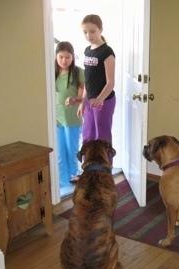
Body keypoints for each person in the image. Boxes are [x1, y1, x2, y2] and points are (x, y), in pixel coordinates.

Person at [77, 14, 116, 161]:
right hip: (89, 101)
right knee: (88, 135)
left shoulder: (107, 52)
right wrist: (82, 102)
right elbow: (88, 80)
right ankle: (89, 169)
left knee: (102, 138)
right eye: (85, 32)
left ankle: (105, 171)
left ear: (101, 30)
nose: (88, 35)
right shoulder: (87, 51)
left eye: (92, 31)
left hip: (104, 101)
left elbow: (110, 82)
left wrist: (99, 99)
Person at [54, 41, 85, 189]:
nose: (64, 60)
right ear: (56, 56)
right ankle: (62, 183)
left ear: (73, 57)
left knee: (71, 149)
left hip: (72, 118)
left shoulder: (78, 72)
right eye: (61, 57)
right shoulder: (52, 72)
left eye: (67, 57)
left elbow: (83, 96)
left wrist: (74, 99)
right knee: (59, 151)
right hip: (56, 118)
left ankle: (74, 178)